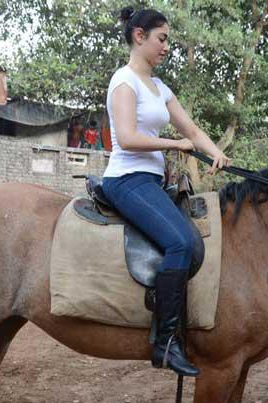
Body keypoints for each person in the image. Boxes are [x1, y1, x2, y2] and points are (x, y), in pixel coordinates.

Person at [102, 7, 229, 377]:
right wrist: (173, 145)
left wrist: (215, 152)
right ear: (139, 36)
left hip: (152, 182)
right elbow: (126, 138)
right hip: (126, 179)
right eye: (162, 38)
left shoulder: (160, 88)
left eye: (169, 40)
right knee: (180, 244)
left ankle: (163, 306)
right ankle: (166, 342)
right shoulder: (124, 82)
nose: (167, 47)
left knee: (193, 244)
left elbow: (191, 129)